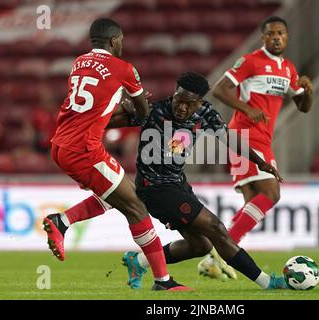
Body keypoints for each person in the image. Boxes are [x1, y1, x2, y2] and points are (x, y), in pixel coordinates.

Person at [43, 18, 188, 291]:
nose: (122, 44)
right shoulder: (124, 69)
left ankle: (62, 221)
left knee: (115, 196)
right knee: (136, 206)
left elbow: (98, 110)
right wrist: (135, 105)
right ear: (113, 40)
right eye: (120, 40)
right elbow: (143, 113)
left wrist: (124, 108)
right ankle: (163, 281)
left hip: (60, 145)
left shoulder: (79, 63)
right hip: (84, 150)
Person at [116, 71, 287, 290]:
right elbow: (108, 121)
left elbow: (229, 137)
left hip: (178, 183)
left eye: (189, 104)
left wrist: (259, 162)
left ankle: (138, 261)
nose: (182, 108)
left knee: (200, 246)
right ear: (174, 93)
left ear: (199, 103)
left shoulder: (205, 113)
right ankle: (267, 282)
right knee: (216, 228)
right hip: (155, 188)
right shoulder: (153, 110)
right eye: (179, 100)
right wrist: (122, 109)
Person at [199, 16, 313, 277]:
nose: (276, 37)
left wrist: (309, 91)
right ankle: (217, 255)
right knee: (272, 193)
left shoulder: (288, 69)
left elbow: (303, 106)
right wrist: (248, 108)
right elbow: (219, 89)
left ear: (287, 37)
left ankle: (216, 258)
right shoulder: (251, 61)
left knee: (253, 202)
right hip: (245, 137)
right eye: (271, 33)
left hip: (261, 139)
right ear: (263, 37)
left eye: (281, 33)